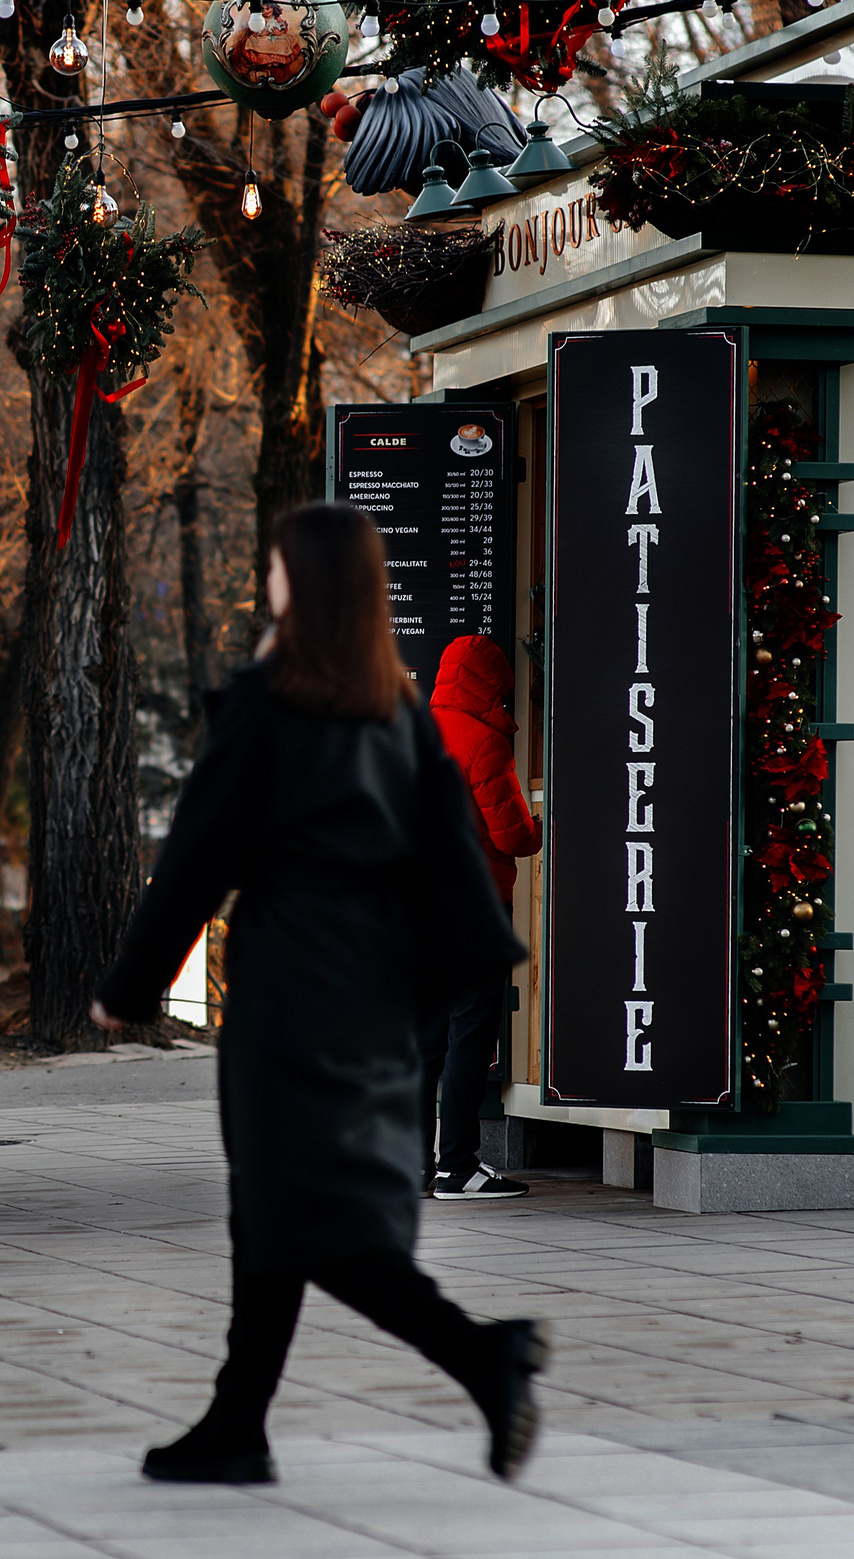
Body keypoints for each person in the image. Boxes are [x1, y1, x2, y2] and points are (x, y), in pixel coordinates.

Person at [90, 502, 542, 1487]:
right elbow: (458, 877)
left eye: (278, 567)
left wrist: (127, 984)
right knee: (275, 1208)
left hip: (288, 995)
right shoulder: (401, 715)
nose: (269, 579)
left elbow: (200, 853)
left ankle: (480, 1353)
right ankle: (237, 1422)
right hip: (375, 994)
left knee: (294, 1210)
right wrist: (432, 995)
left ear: (304, 582)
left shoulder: (269, 700)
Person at [422, 636, 543, 1203]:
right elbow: (514, 835)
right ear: (490, 682)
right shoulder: (483, 740)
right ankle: (459, 1167)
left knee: (424, 1041)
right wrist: (542, 829)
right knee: (469, 1035)